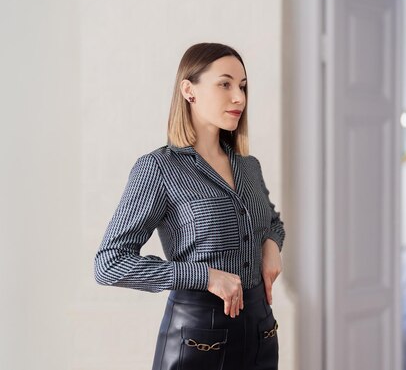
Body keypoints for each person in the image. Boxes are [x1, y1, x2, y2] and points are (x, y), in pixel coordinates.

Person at [94, 42, 285, 370]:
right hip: (199, 343)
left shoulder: (248, 166)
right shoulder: (158, 169)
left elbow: (273, 222)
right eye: (224, 84)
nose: (239, 97)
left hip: (261, 334)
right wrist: (204, 275)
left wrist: (272, 244)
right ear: (189, 90)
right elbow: (109, 263)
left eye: (242, 86)